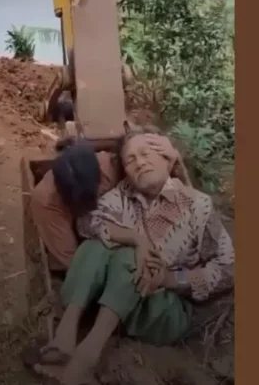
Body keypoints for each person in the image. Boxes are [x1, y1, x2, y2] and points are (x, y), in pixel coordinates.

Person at [33, 129, 235, 385]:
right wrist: (134, 237)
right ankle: (66, 336)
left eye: (147, 153)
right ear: (125, 172)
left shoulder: (198, 206)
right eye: (131, 160)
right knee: (96, 246)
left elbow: (229, 268)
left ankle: (86, 357)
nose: (139, 162)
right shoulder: (120, 196)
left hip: (162, 308)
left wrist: (171, 278)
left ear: (166, 159)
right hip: (116, 300)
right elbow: (88, 224)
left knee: (127, 256)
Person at [30, 126, 190, 272]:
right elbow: (87, 238)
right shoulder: (48, 201)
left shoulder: (117, 170)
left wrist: (173, 159)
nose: (140, 164)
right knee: (78, 269)